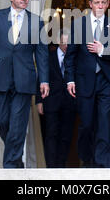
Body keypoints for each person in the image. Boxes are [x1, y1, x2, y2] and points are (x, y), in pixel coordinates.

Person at [0, 0, 49, 168]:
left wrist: (44, 81)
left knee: (18, 124)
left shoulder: (37, 21)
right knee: (2, 121)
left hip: (24, 79)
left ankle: (10, 167)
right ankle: (16, 161)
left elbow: (41, 54)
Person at [65, 0, 110, 168]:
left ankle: (103, 165)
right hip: (84, 81)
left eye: (103, 2)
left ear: (108, 4)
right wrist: (70, 80)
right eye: (96, 2)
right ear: (90, 4)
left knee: (105, 123)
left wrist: (103, 50)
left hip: (107, 81)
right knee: (86, 124)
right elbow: (70, 56)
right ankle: (88, 161)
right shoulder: (78, 25)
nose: (100, 6)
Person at [36, 30, 77, 168]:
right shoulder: (48, 56)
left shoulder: (75, 58)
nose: (66, 46)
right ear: (59, 42)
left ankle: (61, 167)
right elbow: (40, 78)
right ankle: (51, 167)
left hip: (70, 102)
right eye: (63, 42)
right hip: (51, 101)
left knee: (66, 136)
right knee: (51, 135)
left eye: (68, 43)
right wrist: (39, 101)